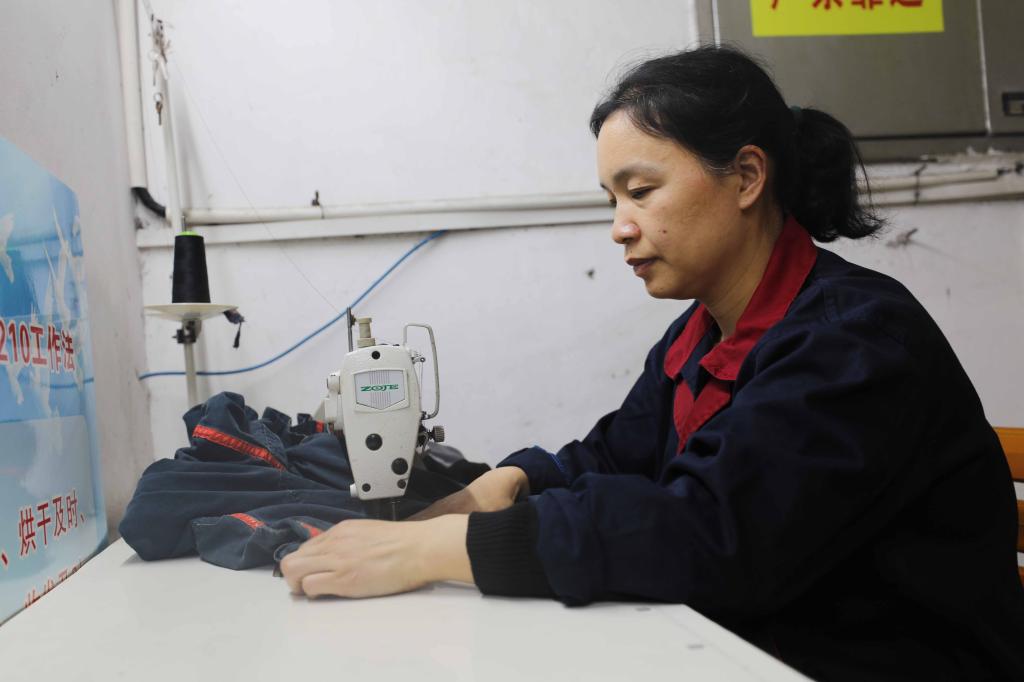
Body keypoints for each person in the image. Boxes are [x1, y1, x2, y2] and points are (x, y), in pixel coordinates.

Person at [281, 46, 1024, 680]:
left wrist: (440, 548)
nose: (619, 227)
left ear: (747, 177)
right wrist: (509, 482)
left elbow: (711, 536)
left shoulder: (855, 345)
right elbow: (616, 457)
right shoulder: (699, 336)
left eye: (640, 191)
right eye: (612, 199)